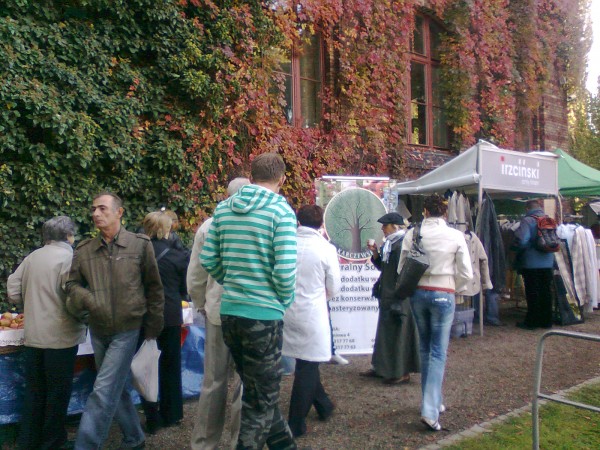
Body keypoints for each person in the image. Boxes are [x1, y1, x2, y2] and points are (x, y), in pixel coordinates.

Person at [201, 153, 298, 449]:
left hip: (230, 313)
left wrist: (232, 281)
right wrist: (281, 301)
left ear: (251, 176)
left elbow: (208, 259)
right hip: (264, 315)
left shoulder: (223, 209)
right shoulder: (281, 211)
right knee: (260, 401)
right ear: (282, 178)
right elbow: (285, 271)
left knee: (259, 393)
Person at [66, 192, 164, 450]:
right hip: (98, 329)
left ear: (119, 212)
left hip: (127, 329)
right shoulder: (85, 250)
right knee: (114, 388)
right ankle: (134, 438)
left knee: (102, 389)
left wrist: (153, 327)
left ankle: (85, 446)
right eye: (93, 209)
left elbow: (154, 288)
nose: (95, 213)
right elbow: (71, 285)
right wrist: (89, 301)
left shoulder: (139, 245)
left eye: (102, 208)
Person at [7, 216, 86, 450]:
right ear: (69, 236)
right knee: (57, 394)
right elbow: (75, 300)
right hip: (61, 338)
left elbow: (13, 289)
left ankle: (28, 441)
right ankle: (53, 442)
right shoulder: (70, 259)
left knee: (35, 391)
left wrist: (31, 302)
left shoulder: (33, 257)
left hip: (33, 335)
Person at [398, 194, 472, 431]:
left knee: (425, 348)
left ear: (425, 212)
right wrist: (456, 288)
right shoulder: (455, 235)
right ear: (445, 213)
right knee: (438, 352)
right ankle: (430, 409)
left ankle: (432, 401)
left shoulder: (413, 233)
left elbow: (402, 268)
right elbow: (466, 273)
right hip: (444, 292)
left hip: (418, 292)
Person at [188, 177, 250, 450]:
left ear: (226, 195)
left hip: (217, 311)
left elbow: (196, 273)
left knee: (213, 381)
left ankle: (204, 443)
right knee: (246, 381)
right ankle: (240, 441)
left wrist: (200, 302)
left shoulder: (209, 225)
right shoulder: (258, 223)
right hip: (250, 311)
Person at [282, 205, 340, 438]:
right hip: (312, 312)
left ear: (298, 221)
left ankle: (324, 404)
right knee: (308, 365)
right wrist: (321, 296)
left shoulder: (287, 244)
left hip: (286, 310)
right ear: (321, 224)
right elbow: (334, 286)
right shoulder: (326, 248)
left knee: (306, 361)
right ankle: (295, 422)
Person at [141, 211, 190, 434]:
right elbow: (184, 289)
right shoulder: (178, 256)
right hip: (170, 314)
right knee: (171, 365)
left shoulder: (139, 253)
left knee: (145, 366)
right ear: (165, 228)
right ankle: (172, 413)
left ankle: (151, 416)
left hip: (144, 314)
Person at [362, 212, 420, 385]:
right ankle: (382, 367)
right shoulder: (390, 243)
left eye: (385, 225)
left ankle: (401, 371)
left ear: (395, 226)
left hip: (397, 296)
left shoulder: (402, 243)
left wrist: (399, 293)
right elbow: (384, 267)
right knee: (386, 333)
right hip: (387, 294)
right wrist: (375, 253)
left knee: (398, 334)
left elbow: (405, 271)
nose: (382, 228)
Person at [511, 199, 555, 330]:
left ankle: (532, 322)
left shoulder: (528, 220)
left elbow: (523, 240)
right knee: (546, 292)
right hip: (548, 261)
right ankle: (546, 321)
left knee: (532, 292)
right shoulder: (549, 219)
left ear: (527, 208)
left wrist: (515, 249)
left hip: (531, 262)